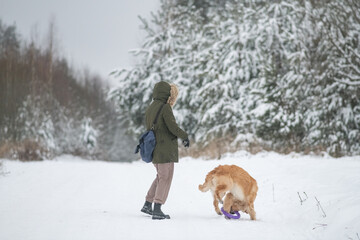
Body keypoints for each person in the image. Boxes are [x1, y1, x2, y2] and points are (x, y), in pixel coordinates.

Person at [140, 81, 190, 220]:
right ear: (167, 93)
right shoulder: (165, 107)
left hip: (154, 148)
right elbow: (172, 127)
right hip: (164, 149)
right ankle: (157, 208)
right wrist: (184, 136)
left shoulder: (151, 107)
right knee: (165, 178)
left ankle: (147, 204)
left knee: (160, 177)